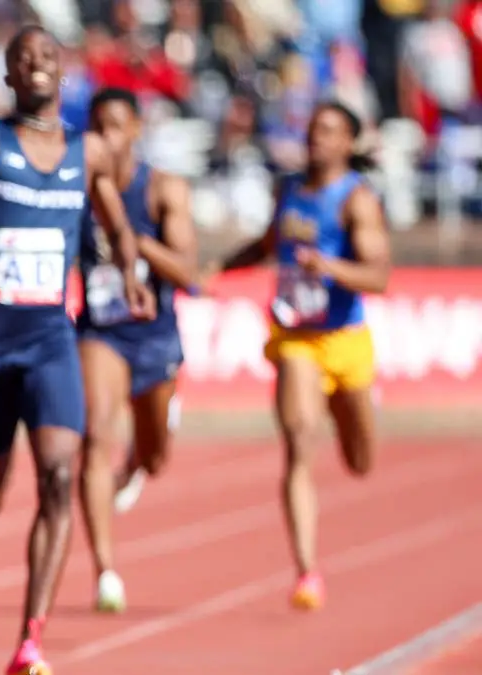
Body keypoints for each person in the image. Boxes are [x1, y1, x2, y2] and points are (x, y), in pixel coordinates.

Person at [0, 25, 151, 675]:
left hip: (53, 337)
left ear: (63, 71)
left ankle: (30, 639)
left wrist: (131, 273)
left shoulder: (91, 152)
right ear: (9, 76)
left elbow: (115, 222)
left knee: (60, 474)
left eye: (47, 56)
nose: (36, 64)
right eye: (23, 58)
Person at [204, 101, 390, 611]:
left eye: (329, 131)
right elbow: (265, 245)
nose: (317, 139)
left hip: (345, 340)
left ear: (350, 142)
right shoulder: (288, 190)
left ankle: (352, 432)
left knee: (360, 459)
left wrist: (327, 264)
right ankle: (307, 570)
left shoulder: (356, 201)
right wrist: (215, 268)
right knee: (299, 442)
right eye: (312, 129)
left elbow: (378, 276)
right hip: (296, 339)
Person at [74, 88, 198, 613]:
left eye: (116, 126)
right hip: (101, 332)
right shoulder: (74, 190)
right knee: (96, 435)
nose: (106, 136)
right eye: (98, 126)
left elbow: (188, 272)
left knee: (155, 455)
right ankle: (105, 571)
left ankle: (141, 458)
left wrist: (134, 240)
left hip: (155, 337)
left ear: (136, 131)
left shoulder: (162, 190)